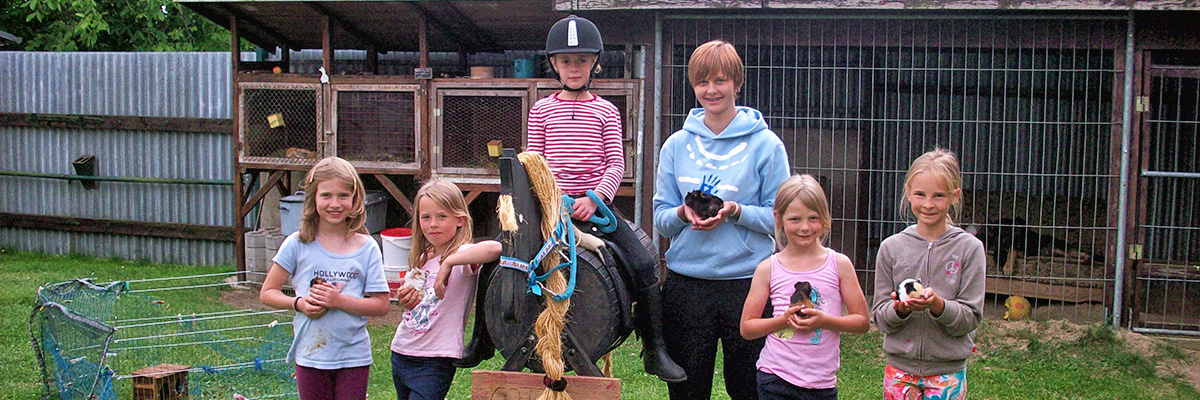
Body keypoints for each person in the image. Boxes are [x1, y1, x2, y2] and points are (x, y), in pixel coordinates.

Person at [456, 14, 686, 383]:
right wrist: (549, 201)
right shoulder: (542, 110)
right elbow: (534, 163)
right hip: (548, 209)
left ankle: (655, 350)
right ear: (554, 65)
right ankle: (482, 338)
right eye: (566, 61)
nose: (574, 67)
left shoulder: (607, 110)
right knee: (497, 259)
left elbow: (616, 163)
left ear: (594, 62)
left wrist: (595, 198)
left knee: (643, 263)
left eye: (581, 60)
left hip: (594, 208)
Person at [652, 39, 791, 400]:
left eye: (720, 80)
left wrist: (736, 211)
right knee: (687, 389)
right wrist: (683, 214)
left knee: (749, 388)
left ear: (737, 83)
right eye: (702, 82)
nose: (711, 90)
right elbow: (661, 219)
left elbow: (781, 218)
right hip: (687, 285)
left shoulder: (767, 145)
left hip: (749, 285)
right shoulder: (675, 146)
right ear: (693, 86)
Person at [259, 157, 390, 400]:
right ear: (312, 198)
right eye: (326, 195)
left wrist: (338, 300)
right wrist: (299, 304)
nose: (335, 204)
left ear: (355, 199)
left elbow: (381, 305)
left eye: (343, 196)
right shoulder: (297, 244)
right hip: (311, 355)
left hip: (353, 356)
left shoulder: (367, 247)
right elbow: (268, 292)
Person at [740, 175, 869, 400]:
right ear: (778, 218)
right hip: (775, 377)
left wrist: (824, 321)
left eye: (813, 218)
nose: (805, 227)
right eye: (795, 219)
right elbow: (747, 328)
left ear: (825, 219)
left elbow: (862, 322)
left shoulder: (839, 264)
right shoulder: (767, 269)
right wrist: (783, 320)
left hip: (822, 382)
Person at [872, 148, 985, 400]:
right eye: (920, 194)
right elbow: (880, 316)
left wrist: (937, 305)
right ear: (908, 192)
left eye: (939, 196)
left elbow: (971, 317)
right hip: (899, 370)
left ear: (955, 196)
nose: (928, 204)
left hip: (948, 373)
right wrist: (901, 309)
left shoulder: (970, 249)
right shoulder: (891, 248)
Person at [390, 179, 501, 400]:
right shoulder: (422, 258)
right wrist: (406, 299)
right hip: (402, 351)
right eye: (426, 217)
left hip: (435, 358)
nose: (433, 224)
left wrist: (449, 263)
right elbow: (413, 305)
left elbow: (495, 248)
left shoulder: (464, 256)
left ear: (459, 220)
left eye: (442, 216)